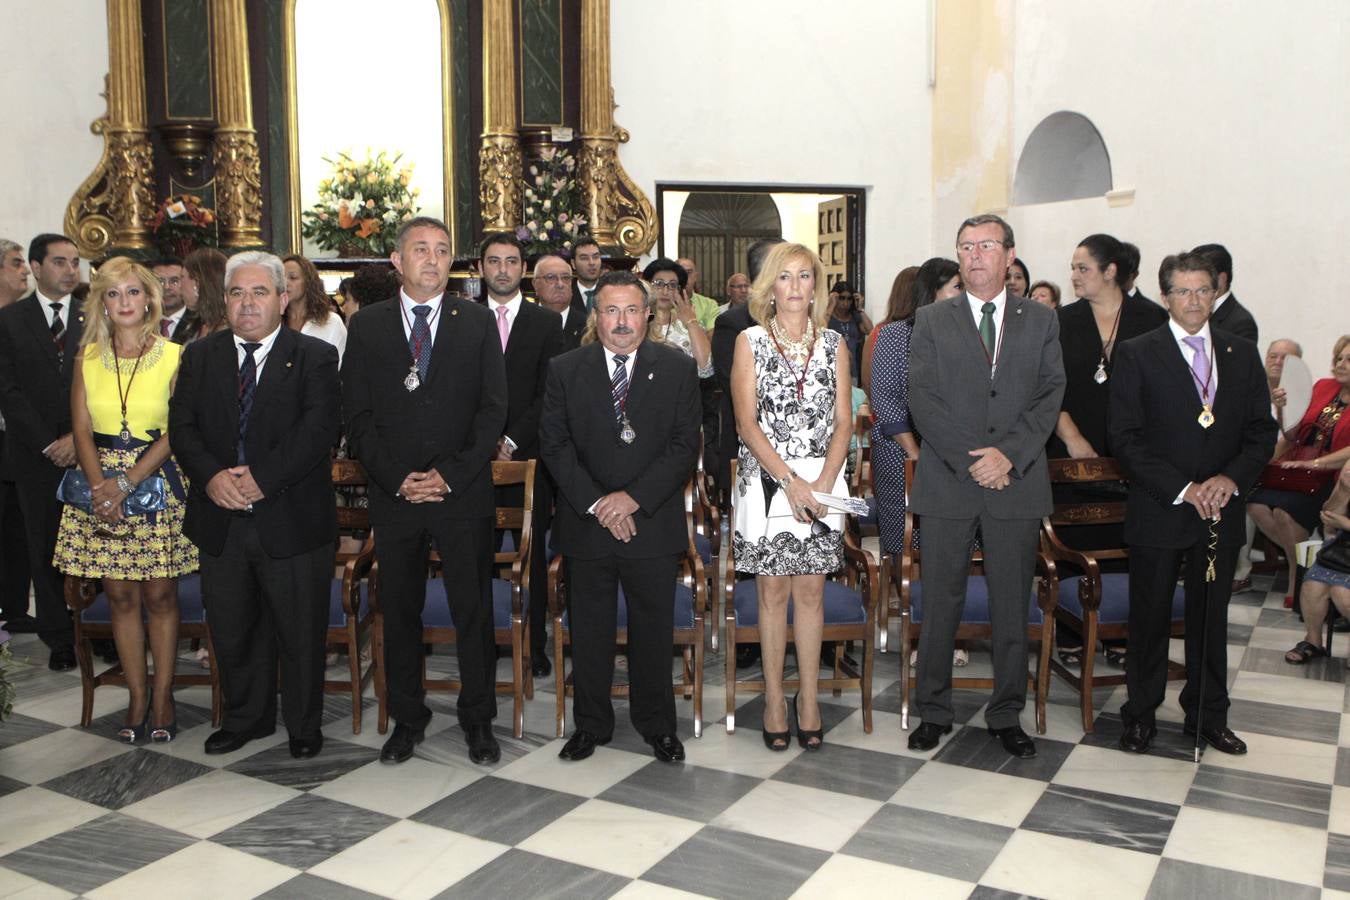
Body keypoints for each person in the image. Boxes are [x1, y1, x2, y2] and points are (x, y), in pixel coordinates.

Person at [342, 216, 507, 766]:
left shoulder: (477, 322)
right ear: (397, 260)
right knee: (400, 610)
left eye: (441, 251)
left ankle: (478, 718)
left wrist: (450, 475)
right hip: (396, 496)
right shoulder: (367, 327)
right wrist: (397, 478)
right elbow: (358, 417)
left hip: (462, 493)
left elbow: (492, 412)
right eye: (420, 249)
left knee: (472, 611)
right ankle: (407, 717)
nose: (432, 260)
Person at [169, 251, 340, 759]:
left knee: (300, 630)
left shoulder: (313, 356)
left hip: (290, 517)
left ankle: (304, 727)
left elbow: (319, 430)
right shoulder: (200, 356)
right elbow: (182, 428)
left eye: (259, 292)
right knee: (234, 627)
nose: (248, 303)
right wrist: (212, 477)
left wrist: (261, 480)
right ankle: (247, 718)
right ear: (225, 300)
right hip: (220, 515)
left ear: (282, 299)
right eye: (238, 293)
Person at [905, 214, 1065, 759]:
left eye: (986, 246)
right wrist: (971, 460)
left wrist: (1008, 457)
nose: (974, 255)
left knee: (1010, 604)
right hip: (950, 481)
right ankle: (932, 709)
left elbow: (1049, 396)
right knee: (940, 600)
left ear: (1009, 255)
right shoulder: (931, 318)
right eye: (965, 246)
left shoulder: (1040, 321)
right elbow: (921, 397)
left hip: (1014, 483)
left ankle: (1006, 712)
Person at [1109, 251, 1277, 756]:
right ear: (1165, 297)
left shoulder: (1240, 352)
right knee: (1151, 617)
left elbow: (1260, 433)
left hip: (1220, 510)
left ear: (1216, 292)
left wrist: (1229, 479)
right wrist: (1184, 488)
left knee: (1210, 617)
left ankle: (1206, 714)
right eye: (1182, 291)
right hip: (1162, 505)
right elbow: (1125, 438)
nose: (1193, 300)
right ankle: (1140, 715)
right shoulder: (1138, 352)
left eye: (1202, 290)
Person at [540, 270, 701, 763]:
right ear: (596, 316)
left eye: (632, 310)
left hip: (650, 522)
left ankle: (658, 727)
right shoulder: (566, 369)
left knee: (653, 632)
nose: (623, 321)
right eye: (611, 310)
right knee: (589, 631)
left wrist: (631, 499)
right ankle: (591, 725)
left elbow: (682, 447)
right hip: (587, 523)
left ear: (648, 314)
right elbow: (555, 444)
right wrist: (599, 503)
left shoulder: (676, 368)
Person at [55, 257, 196, 741]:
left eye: (133, 292)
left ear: (150, 298)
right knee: (118, 594)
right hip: (98, 487)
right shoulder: (87, 357)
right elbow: (80, 428)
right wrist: (101, 489)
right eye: (113, 295)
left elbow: (179, 429)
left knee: (159, 593)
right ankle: (137, 697)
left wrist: (127, 483)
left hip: (153, 480)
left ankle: (163, 696)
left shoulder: (177, 355)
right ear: (101, 303)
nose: (124, 303)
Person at [730, 243, 851, 751]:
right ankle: (775, 697)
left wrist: (822, 484)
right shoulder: (749, 341)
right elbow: (746, 423)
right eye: (786, 277)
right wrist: (791, 482)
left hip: (823, 483)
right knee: (773, 593)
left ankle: (809, 698)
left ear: (816, 286)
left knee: (812, 593)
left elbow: (845, 421)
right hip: (768, 482)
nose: (796, 287)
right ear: (770, 287)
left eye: (805, 277)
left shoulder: (835, 344)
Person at [480, 232, 564, 676]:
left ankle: (535, 644)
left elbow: (549, 394)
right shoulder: (463, 319)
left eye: (511, 261)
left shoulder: (546, 324)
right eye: (494, 261)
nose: (503, 270)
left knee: (531, 555)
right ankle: (490, 638)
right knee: (480, 555)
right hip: (474, 463)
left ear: (523, 269)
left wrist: (510, 440)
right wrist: (484, 442)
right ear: (481, 269)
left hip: (531, 460)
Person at [0, 233, 84, 671]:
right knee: (46, 545)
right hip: (35, 454)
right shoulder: (9, 321)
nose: (71, 270)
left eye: (75, 262)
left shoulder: (95, 317)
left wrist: (77, 437)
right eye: (59, 262)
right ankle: (59, 636)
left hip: (88, 449)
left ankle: (96, 628)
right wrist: (49, 443)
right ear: (35, 268)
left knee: (93, 540)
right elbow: (8, 391)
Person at [1247, 336, 1350, 607]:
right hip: (1298, 470)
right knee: (1256, 505)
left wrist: (1315, 464)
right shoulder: (1323, 387)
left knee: (1284, 512)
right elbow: (1292, 434)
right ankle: (1300, 564)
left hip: (1332, 477)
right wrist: (1282, 410)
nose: (1341, 364)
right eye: (1339, 358)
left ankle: (1296, 574)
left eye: (1348, 360)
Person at [870, 258, 960, 564]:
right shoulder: (896, 335)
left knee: (956, 541)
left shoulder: (967, 335)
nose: (964, 294)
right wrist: (914, 451)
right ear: (932, 291)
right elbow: (885, 398)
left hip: (952, 450)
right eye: (957, 287)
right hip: (902, 450)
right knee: (907, 539)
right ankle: (908, 597)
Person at [1232, 337, 1304, 592]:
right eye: (1272, 355)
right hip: (1251, 466)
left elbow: (1287, 443)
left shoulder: (1303, 396)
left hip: (1279, 471)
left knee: (1240, 496)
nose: (1277, 361)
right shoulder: (1251, 389)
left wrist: (1250, 466)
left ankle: (1239, 573)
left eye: (1285, 357)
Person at [0, 239, 33, 632]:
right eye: (15, 263)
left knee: (16, 525)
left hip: (19, 438)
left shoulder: (24, 320)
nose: (24, 270)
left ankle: (14, 607)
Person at [1285, 464, 1350, 664]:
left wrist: (1345, 524)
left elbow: (1340, 523)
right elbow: (1328, 518)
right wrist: (1344, 491)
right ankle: (1313, 641)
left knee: (1342, 593)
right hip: (1344, 549)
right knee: (1313, 586)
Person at [643, 258, 713, 378]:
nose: (665, 291)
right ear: (648, 286)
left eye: (672, 285)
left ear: (679, 290)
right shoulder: (637, 323)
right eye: (659, 284)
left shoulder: (688, 324)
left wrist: (692, 323)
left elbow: (705, 369)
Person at [283, 254, 348, 365]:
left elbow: (341, 366)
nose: (285, 283)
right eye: (280, 278)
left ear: (309, 282)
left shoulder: (332, 322)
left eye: (293, 278)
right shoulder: (270, 322)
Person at [1191, 243, 1258, 342]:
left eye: (1199, 279)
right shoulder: (1189, 311)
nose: (1192, 285)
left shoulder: (1241, 323)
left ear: (1221, 280)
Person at [533, 253, 585, 351]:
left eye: (565, 278)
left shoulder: (587, 326)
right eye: (551, 278)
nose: (560, 284)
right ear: (535, 284)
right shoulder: (523, 322)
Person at [827, 280, 872, 386]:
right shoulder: (828, 317)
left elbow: (870, 330)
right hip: (832, 371)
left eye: (849, 298)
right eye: (841, 298)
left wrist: (860, 309)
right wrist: (831, 305)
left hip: (853, 371)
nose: (845, 302)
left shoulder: (855, 317)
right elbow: (819, 330)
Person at [182, 248, 229, 343]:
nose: (180, 286)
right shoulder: (196, 323)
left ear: (197, 283)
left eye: (182, 277)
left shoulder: (229, 331)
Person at [150, 257, 199, 344]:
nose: (166, 287)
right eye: (159, 281)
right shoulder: (141, 321)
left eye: (174, 281)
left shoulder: (199, 322)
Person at [675, 257, 722, 331]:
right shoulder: (664, 302)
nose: (684, 277)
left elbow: (711, 337)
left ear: (696, 277)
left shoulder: (709, 305)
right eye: (680, 273)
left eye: (688, 272)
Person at [571, 237, 603, 312]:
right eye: (584, 258)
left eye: (595, 257)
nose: (592, 263)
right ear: (573, 264)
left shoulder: (611, 292)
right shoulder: (566, 295)